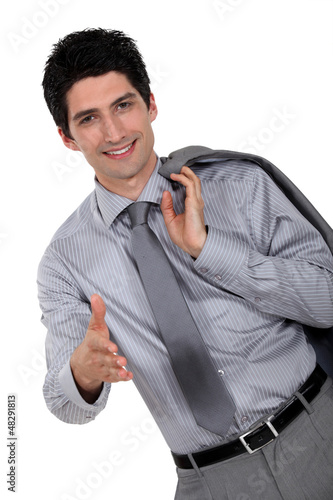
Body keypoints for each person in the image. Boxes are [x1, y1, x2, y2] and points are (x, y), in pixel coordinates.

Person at [38, 28, 333, 499]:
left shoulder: (240, 182)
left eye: (123, 105)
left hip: (322, 429)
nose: (114, 133)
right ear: (68, 138)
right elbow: (66, 405)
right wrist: (82, 372)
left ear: (150, 104)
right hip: (213, 482)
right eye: (89, 118)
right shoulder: (64, 262)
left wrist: (211, 249)